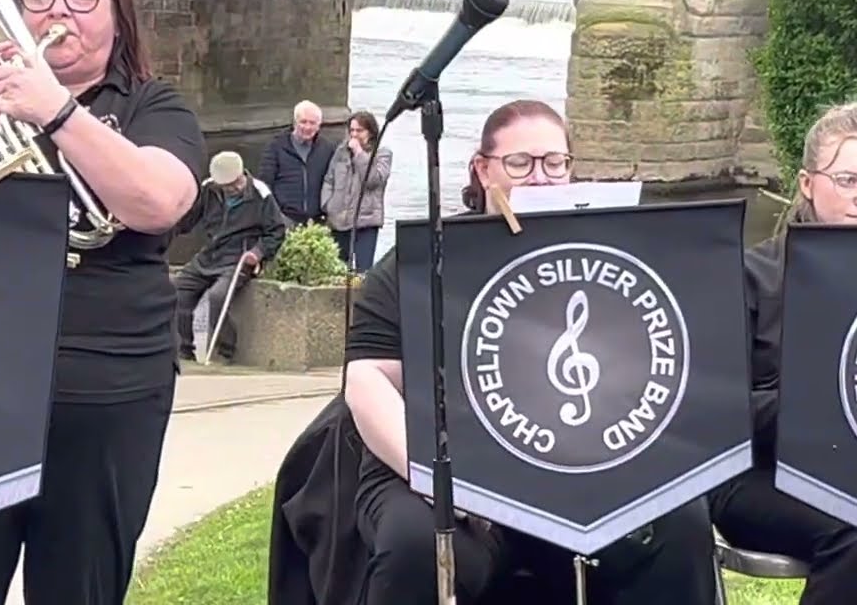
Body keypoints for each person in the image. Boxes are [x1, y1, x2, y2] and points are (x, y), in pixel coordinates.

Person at [271, 100, 719, 604]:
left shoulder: (609, 263)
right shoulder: (419, 262)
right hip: (440, 465)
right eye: (521, 163)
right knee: (414, 544)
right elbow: (368, 379)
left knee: (676, 523)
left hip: (573, 465)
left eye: (555, 163)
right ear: (483, 170)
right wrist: (437, 480)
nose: (542, 178)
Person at [0, 0, 206, 604]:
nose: (57, 11)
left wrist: (59, 112)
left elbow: (158, 201)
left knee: (81, 585)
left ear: (117, 12)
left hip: (106, 389)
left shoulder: (155, 106)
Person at [709, 102, 857, 605]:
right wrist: (821, 401)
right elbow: (717, 410)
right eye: (848, 179)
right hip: (756, 470)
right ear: (807, 183)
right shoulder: (750, 276)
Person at [174, 150, 287, 364]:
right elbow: (189, 219)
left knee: (218, 297)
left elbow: (276, 231)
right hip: (210, 254)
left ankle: (226, 350)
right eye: (227, 186)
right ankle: (184, 349)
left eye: (237, 183)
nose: (234, 188)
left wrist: (258, 252)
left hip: (238, 258)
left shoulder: (260, 194)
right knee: (180, 291)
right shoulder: (209, 189)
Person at [321, 110, 391, 272]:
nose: (354, 135)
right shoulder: (341, 152)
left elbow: (374, 180)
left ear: (371, 132)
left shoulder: (382, 154)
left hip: (365, 221)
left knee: (363, 271)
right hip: (339, 219)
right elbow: (329, 179)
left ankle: (358, 296)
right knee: (338, 269)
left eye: (359, 131)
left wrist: (359, 153)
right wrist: (327, 204)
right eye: (351, 130)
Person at [258, 99, 335, 226]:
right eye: (303, 122)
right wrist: (276, 215)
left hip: (317, 221)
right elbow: (265, 184)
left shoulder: (328, 148)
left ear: (319, 125)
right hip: (285, 218)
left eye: (312, 123)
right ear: (294, 122)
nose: (307, 127)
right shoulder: (276, 147)